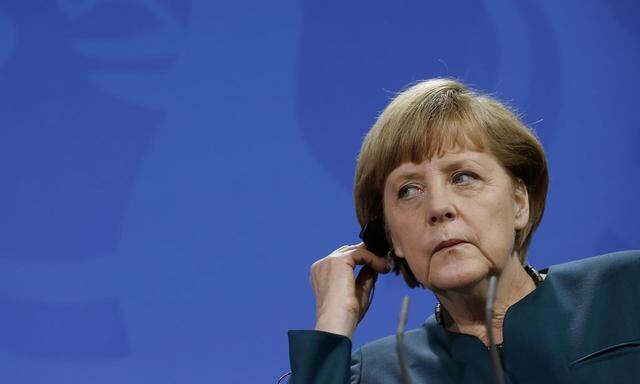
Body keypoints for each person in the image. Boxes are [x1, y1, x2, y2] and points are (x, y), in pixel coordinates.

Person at [286, 78, 640, 383]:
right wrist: (333, 323)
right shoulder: (374, 373)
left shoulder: (625, 291)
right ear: (390, 237)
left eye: (463, 177)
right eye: (408, 190)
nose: (439, 207)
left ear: (519, 202)